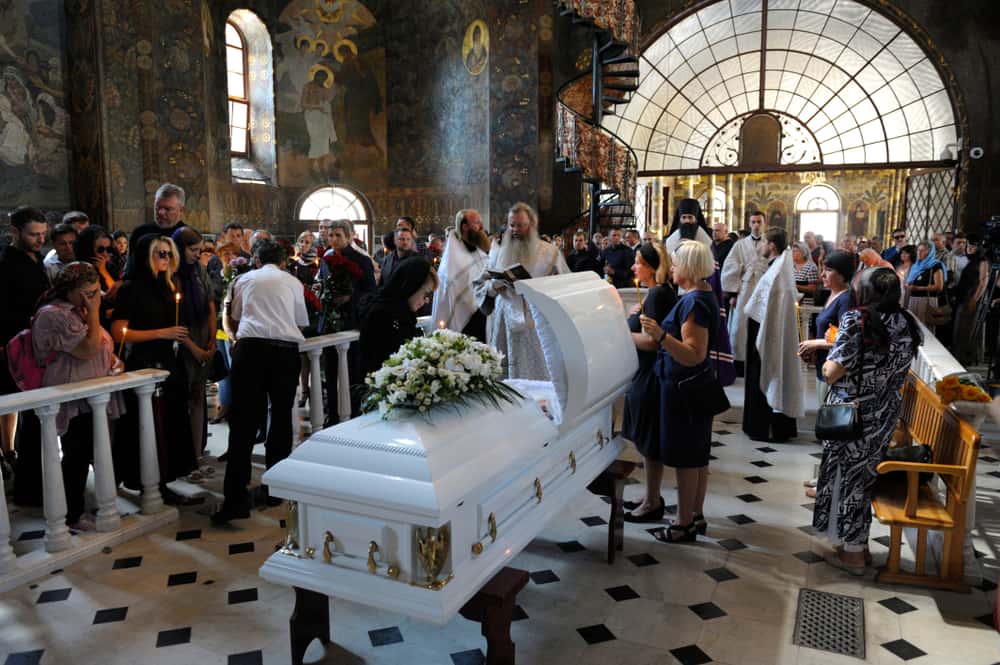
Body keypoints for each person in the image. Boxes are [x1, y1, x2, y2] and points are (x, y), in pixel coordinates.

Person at [813, 267, 922, 574]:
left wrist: (826, 358)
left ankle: (853, 555)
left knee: (847, 479)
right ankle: (857, 546)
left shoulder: (857, 320)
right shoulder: (906, 321)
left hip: (853, 414)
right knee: (863, 478)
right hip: (884, 413)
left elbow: (832, 371)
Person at [213, 238, 308, 525]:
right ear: (283, 262)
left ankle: (235, 499)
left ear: (255, 260)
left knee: (243, 422)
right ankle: (275, 490)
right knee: (280, 419)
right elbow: (300, 320)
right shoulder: (293, 282)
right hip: (284, 353)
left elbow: (235, 316)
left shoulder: (243, 279)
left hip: (251, 350)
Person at [31, 263, 124, 529]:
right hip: (69, 394)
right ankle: (70, 514)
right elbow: (87, 349)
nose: (95, 298)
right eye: (88, 293)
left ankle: (84, 506)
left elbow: (101, 345)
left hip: (91, 394)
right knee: (75, 454)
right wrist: (94, 312)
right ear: (70, 290)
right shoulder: (53, 315)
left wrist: (113, 361)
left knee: (88, 451)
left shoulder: (77, 310)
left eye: (96, 292)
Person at [638, 241, 719, 542]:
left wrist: (660, 335)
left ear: (688, 267)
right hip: (694, 386)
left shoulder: (694, 301)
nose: (671, 268)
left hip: (685, 388)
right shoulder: (702, 294)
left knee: (686, 458)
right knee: (697, 455)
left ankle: (683, 524)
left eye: (674, 264)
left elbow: (693, 354)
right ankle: (695, 515)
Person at [110, 235, 195, 503]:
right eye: (160, 253)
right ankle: (148, 483)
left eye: (169, 254)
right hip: (143, 364)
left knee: (169, 425)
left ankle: (164, 479)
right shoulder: (131, 288)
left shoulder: (168, 285)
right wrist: (162, 332)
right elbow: (119, 331)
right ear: (146, 256)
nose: (166, 259)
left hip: (168, 363)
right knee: (147, 425)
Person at [473, 202, 570, 380]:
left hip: (536, 320)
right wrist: (494, 286)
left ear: (532, 224)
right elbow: (480, 284)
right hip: (504, 319)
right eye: (512, 225)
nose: (516, 230)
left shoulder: (550, 253)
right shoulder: (498, 251)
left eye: (521, 225)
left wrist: (539, 288)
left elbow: (564, 286)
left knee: (536, 372)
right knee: (505, 373)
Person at [621, 243, 677, 523]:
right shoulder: (658, 293)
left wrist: (622, 332)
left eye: (639, 262)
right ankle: (649, 496)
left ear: (652, 268)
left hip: (650, 375)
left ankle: (652, 501)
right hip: (647, 374)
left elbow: (653, 342)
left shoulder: (657, 294)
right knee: (647, 441)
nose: (634, 267)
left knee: (649, 442)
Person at [1, 207, 50, 504]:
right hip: (17, 350)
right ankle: (29, 488)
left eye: (43, 234)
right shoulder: (6, 265)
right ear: (15, 232)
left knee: (39, 419)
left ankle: (38, 483)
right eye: (34, 235)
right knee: (29, 417)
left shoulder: (37, 259)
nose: (40, 240)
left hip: (39, 349)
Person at [798, 250, 856, 496]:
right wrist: (814, 349)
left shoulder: (847, 299)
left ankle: (829, 482)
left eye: (828, 270)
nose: (822, 274)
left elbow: (845, 338)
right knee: (826, 425)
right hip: (824, 366)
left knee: (832, 429)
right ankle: (825, 475)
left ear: (842, 275)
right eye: (823, 268)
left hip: (836, 370)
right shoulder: (832, 294)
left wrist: (815, 344)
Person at [741, 227, 804, 443]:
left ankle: (767, 428)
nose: (760, 246)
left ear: (772, 246)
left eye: (763, 242)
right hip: (765, 331)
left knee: (770, 374)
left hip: (770, 335)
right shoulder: (778, 267)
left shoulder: (778, 273)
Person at [172, 227, 217, 472]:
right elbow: (174, 318)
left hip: (202, 336)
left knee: (199, 396)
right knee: (182, 400)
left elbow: (211, 305)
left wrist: (211, 340)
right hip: (182, 341)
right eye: (192, 250)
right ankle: (185, 458)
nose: (197, 255)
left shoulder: (199, 270)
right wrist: (194, 348)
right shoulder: (172, 273)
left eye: (200, 250)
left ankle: (198, 455)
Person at [322, 219, 376, 422]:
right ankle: (332, 413)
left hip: (351, 321)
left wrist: (350, 297)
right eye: (331, 235)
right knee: (330, 371)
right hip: (330, 322)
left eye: (338, 235)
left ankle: (354, 413)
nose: (334, 239)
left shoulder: (361, 259)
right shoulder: (326, 258)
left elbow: (371, 291)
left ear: (349, 236)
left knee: (352, 370)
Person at [361, 257, 439, 376]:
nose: (427, 300)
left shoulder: (404, 314)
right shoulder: (381, 313)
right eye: (425, 293)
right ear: (411, 286)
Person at [432, 209, 490, 342]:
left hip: (482, 315)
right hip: (464, 321)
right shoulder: (452, 258)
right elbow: (452, 290)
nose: (481, 226)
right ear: (465, 226)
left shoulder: (479, 252)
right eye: (477, 223)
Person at [721, 211, 768, 366]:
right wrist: (733, 293)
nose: (756, 225)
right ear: (749, 224)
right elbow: (729, 266)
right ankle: (740, 360)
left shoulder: (770, 243)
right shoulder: (739, 245)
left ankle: (759, 360)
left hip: (764, 287)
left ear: (764, 223)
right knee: (739, 326)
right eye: (753, 222)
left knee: (762, 323)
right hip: (744, 288)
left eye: (759, 222)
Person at [126, 183, 186, 277]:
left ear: (181, 210)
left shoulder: (188, 235)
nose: (160, 212)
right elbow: (130, 271)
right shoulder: (140, 232)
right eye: (158, 207)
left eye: (167, 209)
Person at [952, 234, 988, 366]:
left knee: (967, 329)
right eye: (968, 245)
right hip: (963, 297)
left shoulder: (982, 261)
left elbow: (983, 282)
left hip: (972, 297)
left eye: (973, 246)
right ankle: (957, 356)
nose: (969, 248)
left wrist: (974, 299)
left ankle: (965, 358)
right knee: (959, 328)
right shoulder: (970, 260)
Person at [74, 225, 119, 329]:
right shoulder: (78, 270)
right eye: (100, 249)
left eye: (108, 249)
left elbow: (116, 293)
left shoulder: (111, 267)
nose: (105, 254)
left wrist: (103, 271)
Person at [905, 241, 945, 332]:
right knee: (913, 328)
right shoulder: (915, 266)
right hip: (913, 300)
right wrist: (908, 285)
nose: (919, 253)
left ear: (930, 252)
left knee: (925, 328)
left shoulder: (935, 266)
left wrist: (918, 288)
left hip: (926, 301)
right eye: (918, 250)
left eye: (923, 250)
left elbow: (939, 287)